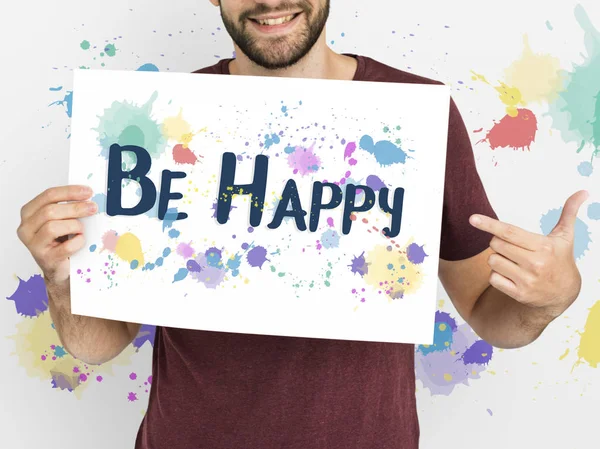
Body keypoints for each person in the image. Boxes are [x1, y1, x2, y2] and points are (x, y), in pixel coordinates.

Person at [16, 1, 587, 448]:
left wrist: (550, 296)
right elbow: (96, 344)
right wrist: (62, 281)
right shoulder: (160, 123)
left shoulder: (414, 113)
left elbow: (492, 317)